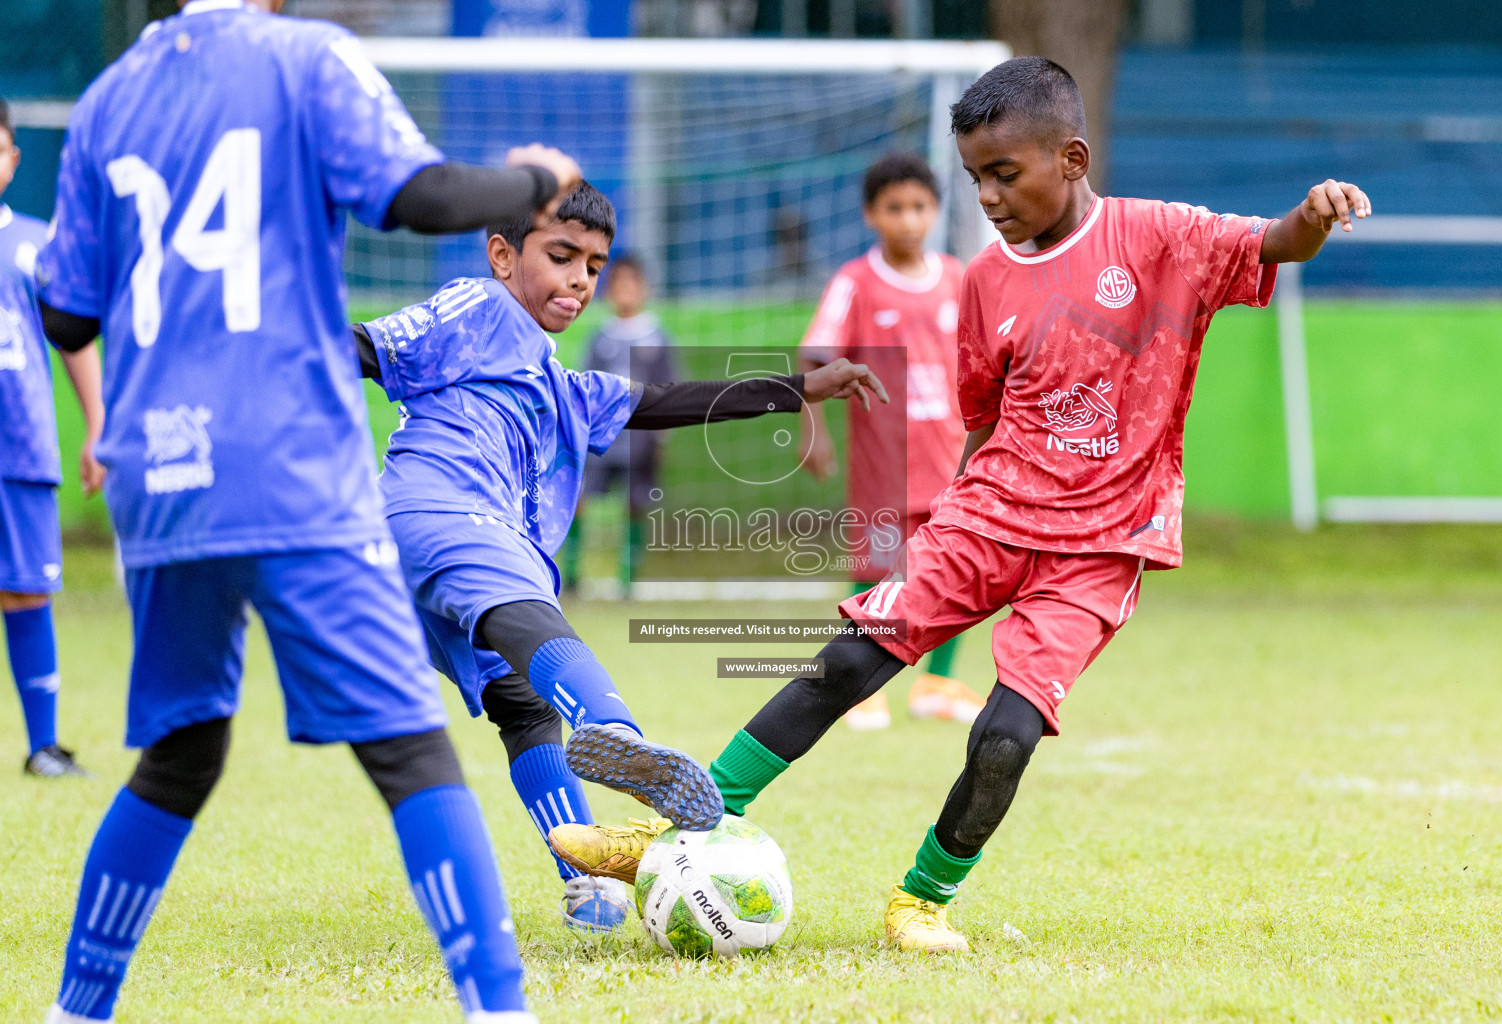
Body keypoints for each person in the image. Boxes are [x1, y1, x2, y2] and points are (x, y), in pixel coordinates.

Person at [548, 56, 1372, 955]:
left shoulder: (1160, 236)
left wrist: (1315, 212)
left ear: (1071, 155)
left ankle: (921, 901)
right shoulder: (983, 281)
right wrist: (950, 517)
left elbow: (1276, 245)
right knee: (847, 663)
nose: (984, 195)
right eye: (975, 176)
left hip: (1103, 542)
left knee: (1005, 734)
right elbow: (988, 418)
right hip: (989, 512)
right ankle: (679, 829)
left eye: (1003, 174)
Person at [33, 1, 583, 1020]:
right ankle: (499, 1009)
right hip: (285, 463)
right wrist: (536, 182)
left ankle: (76, 1009)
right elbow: (418, 195)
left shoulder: (108, 99)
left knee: (182, 750)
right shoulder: (306, 57)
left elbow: (64, 307)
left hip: (159, 472)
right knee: (412, 743)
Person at [354, 181, 889, 933]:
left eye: (594, 265)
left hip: (429, 553)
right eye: (561, 255)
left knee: (522, 706)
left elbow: (666, 400)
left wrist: (799, 389)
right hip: (440, 510)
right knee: (529, 615)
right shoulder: (477, 307)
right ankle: (621, 737)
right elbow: (366, 349)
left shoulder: (559, 386)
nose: (579, 280)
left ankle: (589, 882)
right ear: (502, 255)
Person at [798, 151, 983, 731]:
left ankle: (936, 681)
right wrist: (814, 434)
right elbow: (813, 359)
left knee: (959, 571)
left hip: (952, 456)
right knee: (877, 570)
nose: (909, 220)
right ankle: (861, 687)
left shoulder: (958, 277)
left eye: (920, 207)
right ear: (871, 215)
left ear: (936, 211)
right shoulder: (855, 283)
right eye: (894, 208)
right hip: (884, 460)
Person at [0, 97, 104, 778]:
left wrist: (98, 424)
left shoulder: (36, 243)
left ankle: (43, 746)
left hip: (20, 443)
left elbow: (73, 341)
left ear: (10, 158)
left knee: (26, 591)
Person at [562, 253, 676, 594]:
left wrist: (662, 437)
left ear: (644, 289)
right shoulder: (600, 337)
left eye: (632, 284)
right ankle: (571, 574)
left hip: (639, 440)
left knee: (633, 504)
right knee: (579, 498)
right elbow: (583, 386)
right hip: (599, 438)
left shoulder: (657, 337)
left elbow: (669, 390)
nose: (625, 291)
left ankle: (627, 579)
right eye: (619, 284)